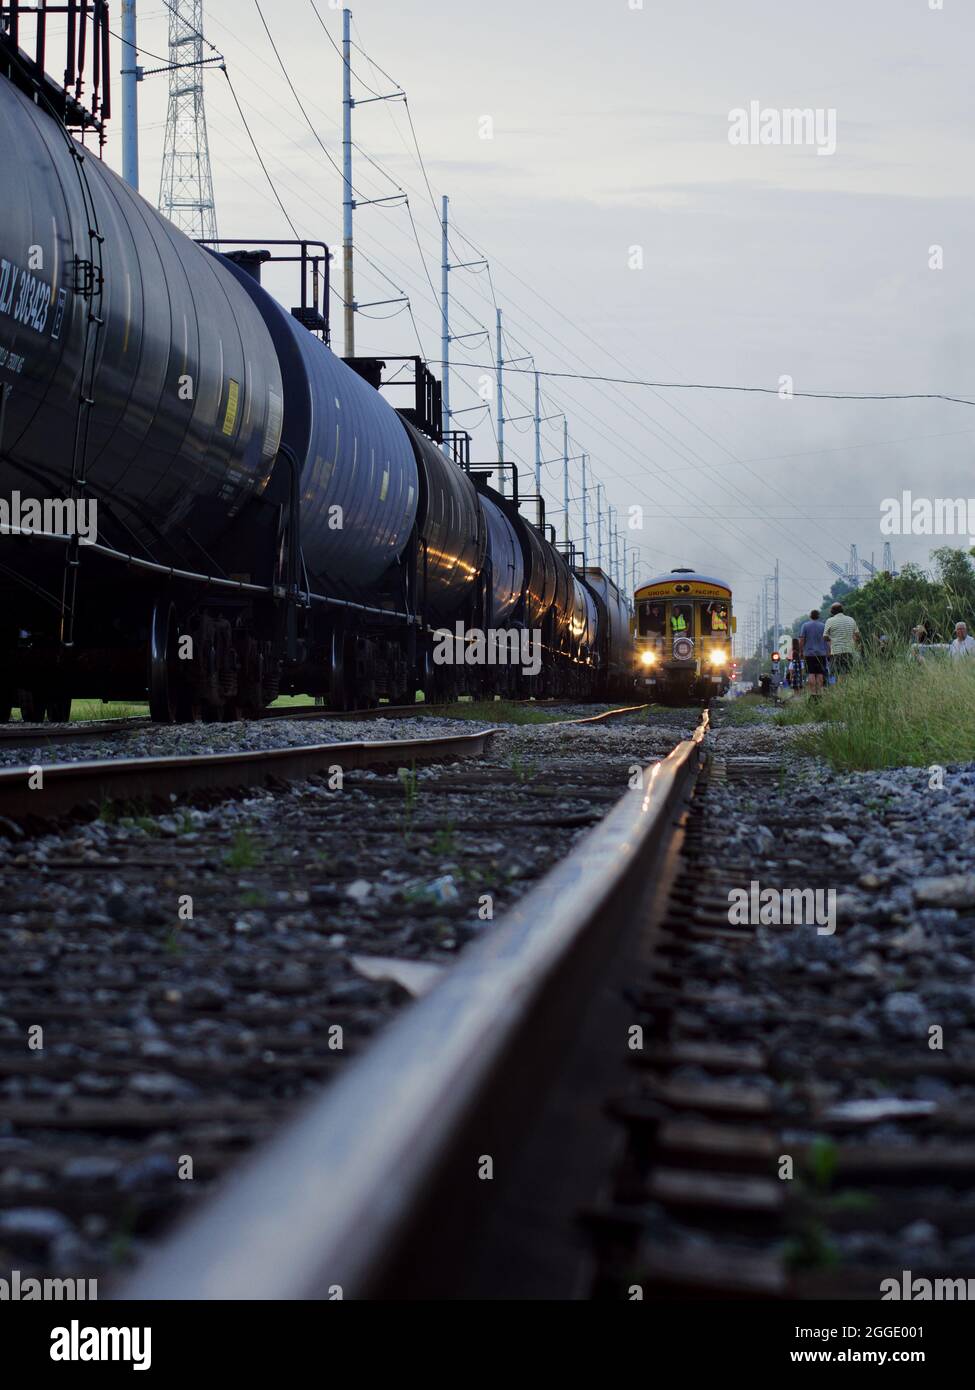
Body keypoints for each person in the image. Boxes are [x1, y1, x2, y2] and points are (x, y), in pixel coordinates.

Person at [823, 602, 861, 680]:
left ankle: (842, 690)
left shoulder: (830, 621)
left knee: (839, 673)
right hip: (849, 650)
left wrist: (831, 640)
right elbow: (857, 635)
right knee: (849, 672)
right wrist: (852, 642)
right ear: (842, 610)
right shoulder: (851, 619)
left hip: (837, 651)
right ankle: (849, 689)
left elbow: (825, 636)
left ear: (832, 611)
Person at [799, 609, 829, 694]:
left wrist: (800, 651)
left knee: (811, 673)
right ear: (818, 616)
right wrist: (828, 652)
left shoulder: (805, 625)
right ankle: (819, 692)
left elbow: (802, 639)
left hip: (809, 654)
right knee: (820, 673)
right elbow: (826, 640)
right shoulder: (823, 626)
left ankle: (813, 693)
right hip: (821, 653)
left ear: (810, 616)